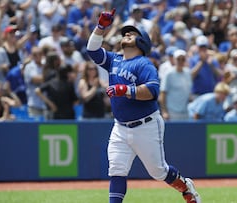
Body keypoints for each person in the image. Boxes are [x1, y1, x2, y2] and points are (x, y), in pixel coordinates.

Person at [86, 9, 201, 203]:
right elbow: (93, 51)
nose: (127, 34)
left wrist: (126, 90)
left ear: (142, 42)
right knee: (116, 169)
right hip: (120, 126)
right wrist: (100, 27)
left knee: (159, 171)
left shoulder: (144, 64)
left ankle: (185, 186)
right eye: (126, 33)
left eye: (132, 33)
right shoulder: (115, 59)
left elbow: (153, 90)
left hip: (145, 125)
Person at [159, 49, 192, 120]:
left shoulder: (188, 73)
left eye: (183, 59)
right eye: (178, 59)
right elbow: (163, 93)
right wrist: (164, 111)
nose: (180, 61)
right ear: (174, 60)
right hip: (172, 112)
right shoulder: (168, 74)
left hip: (185, 112)